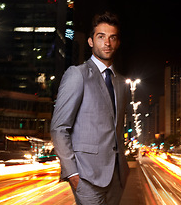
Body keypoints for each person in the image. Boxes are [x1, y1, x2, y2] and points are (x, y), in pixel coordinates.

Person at [51, 12, 129, 205]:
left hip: (116, 177)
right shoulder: (77, 75)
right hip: (86, 177)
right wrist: (73, 174)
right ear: (90, 41)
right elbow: (59, 128)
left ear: (118, 42)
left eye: (112, 38)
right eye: (101, 37)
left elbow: (116, 130)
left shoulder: (121, 83)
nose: (107, 43)